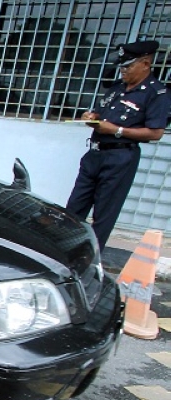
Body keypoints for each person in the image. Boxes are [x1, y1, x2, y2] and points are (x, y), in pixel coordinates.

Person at [65, 39, 170, 249]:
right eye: (121, 66)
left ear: (145, 64)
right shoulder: (116, 89)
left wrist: (117, 130)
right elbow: (101, 113)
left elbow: (155, 132)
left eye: (128, 66)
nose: (123, 71)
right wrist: (92, 116)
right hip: (94, 155)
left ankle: (90, 259)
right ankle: (63, 250)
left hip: (120, 158)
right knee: (73, 210)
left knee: (104, 214)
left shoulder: (157, 94)